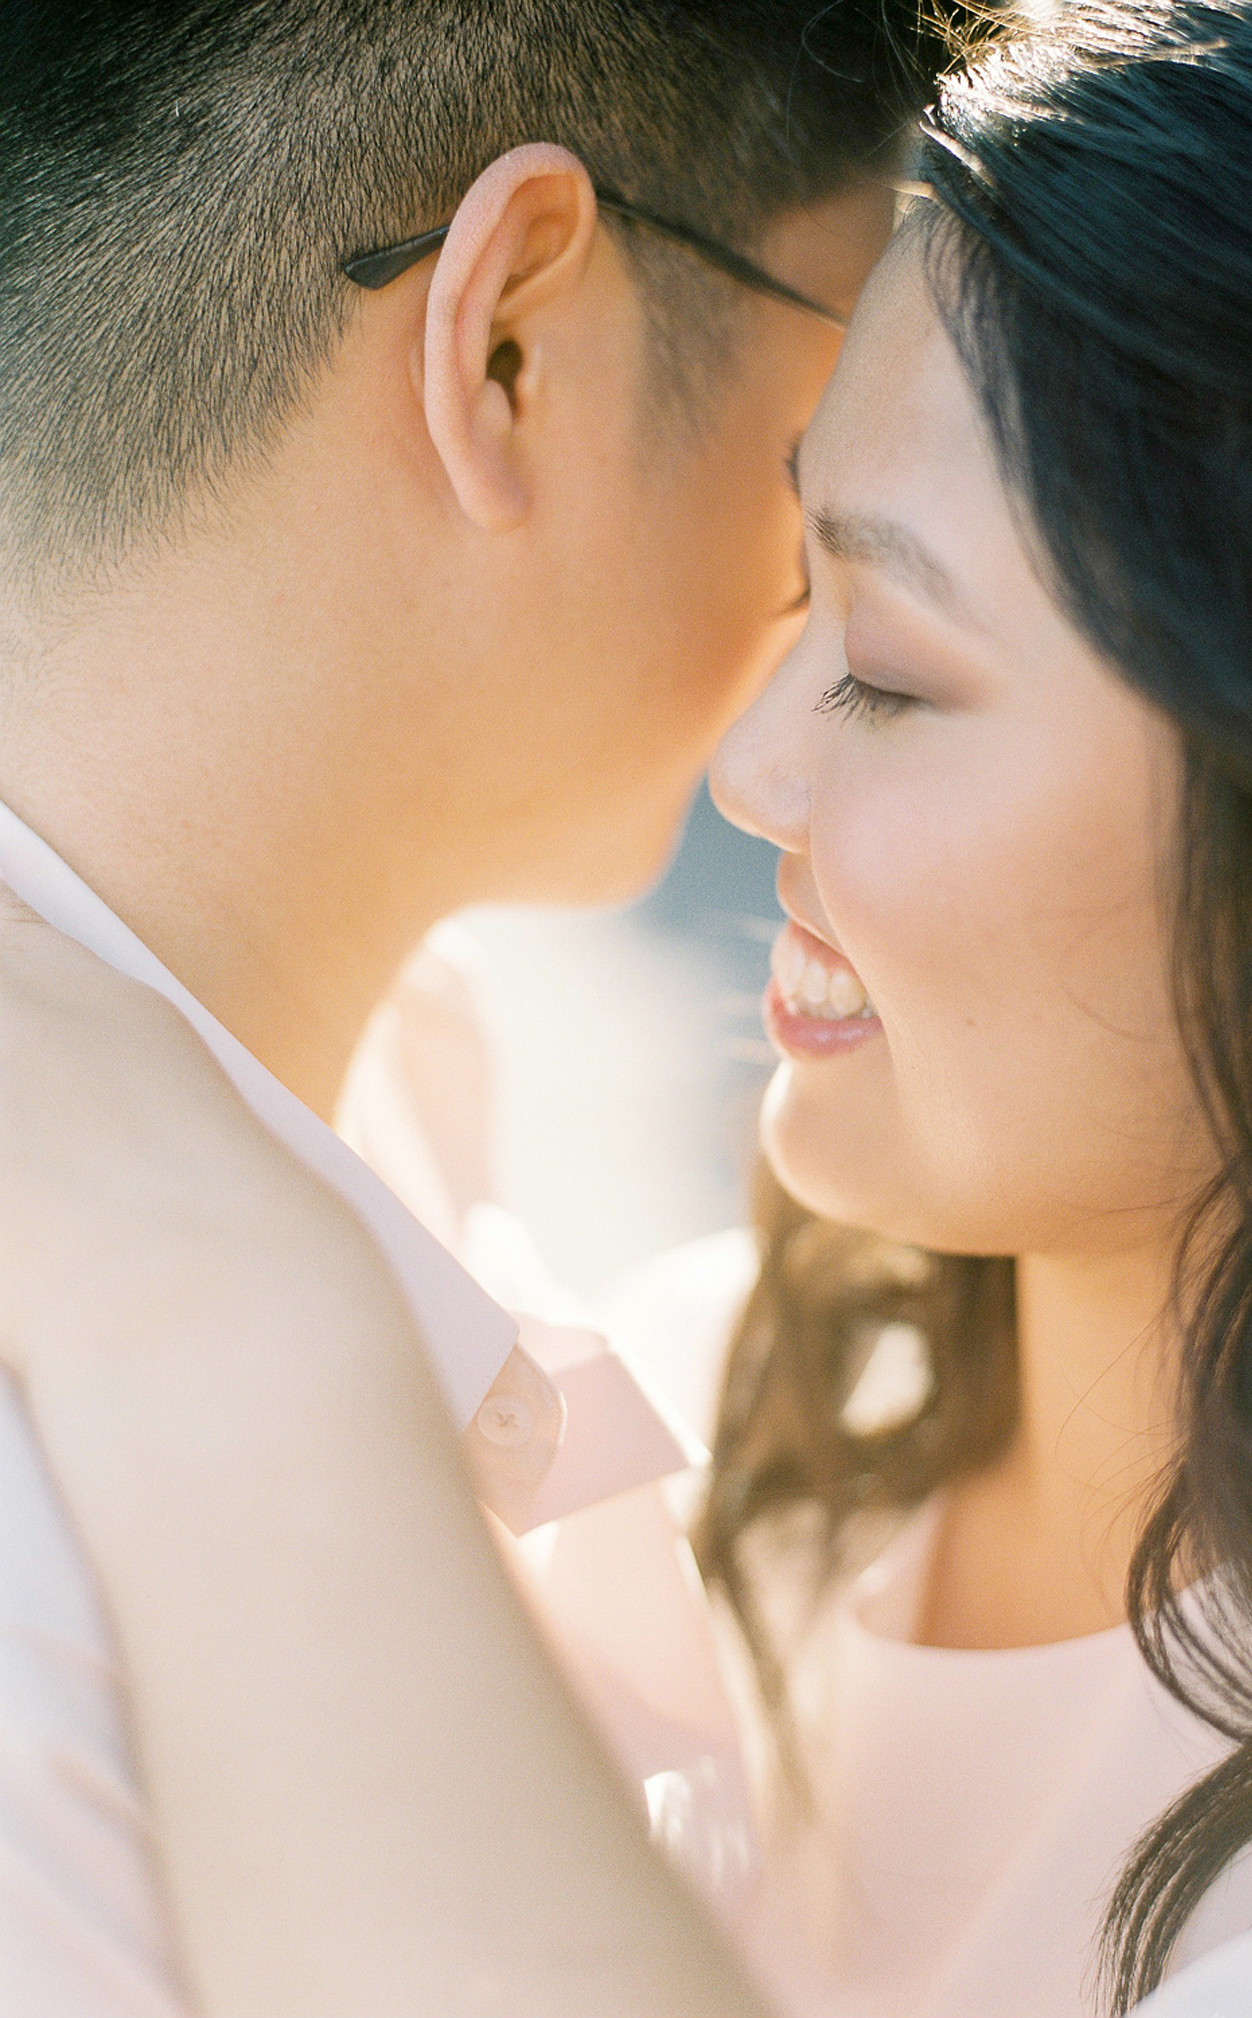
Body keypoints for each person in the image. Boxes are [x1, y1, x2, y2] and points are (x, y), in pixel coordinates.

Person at [5, 0, 1252, 2015]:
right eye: (797, 580)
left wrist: (231, 1320)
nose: (751, 771)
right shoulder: (680, 1415)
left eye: (878, 655)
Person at [0, 1, 945, 2010]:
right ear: (510, 343)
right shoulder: (45, 1636)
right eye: (849, 374)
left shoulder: (402, 1062)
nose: (859, 537)